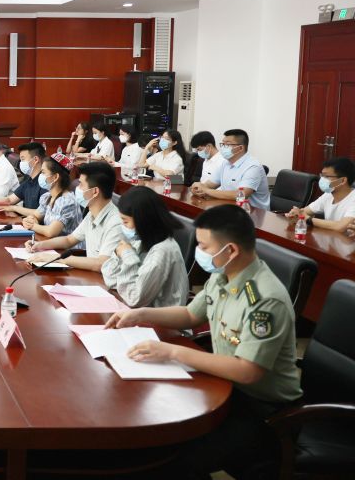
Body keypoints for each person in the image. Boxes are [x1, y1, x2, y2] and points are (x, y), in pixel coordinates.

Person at [106, 204, 301, 478]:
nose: (199, 252)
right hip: (222, 388)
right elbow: (190, 314)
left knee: (173, 457)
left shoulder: (264, 300)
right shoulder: (223, 276)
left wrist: (172, 352)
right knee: (151, 426)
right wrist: (140, 314)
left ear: (231, 250)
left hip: (263, 412)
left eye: (204, 246)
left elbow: (247, 371)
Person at [100, 186, 189, 308]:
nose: (122, 226)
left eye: (125, 221)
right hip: (140, 311)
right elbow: (109, 277)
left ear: (143, 221)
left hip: (160, 317)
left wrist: (127, 256)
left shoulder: (162, 251)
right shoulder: (141, 239)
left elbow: (134, 299)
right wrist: (118, 253)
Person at [26, 162, 124, 272]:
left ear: (95, 192)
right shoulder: (92, 214)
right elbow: (69, 240)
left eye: (81, 184)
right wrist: (39, 245)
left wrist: (58, 259)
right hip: (91, 276)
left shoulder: (115, 223)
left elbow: (101, 264)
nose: (77, 188)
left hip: (104, 280)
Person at [190, 129, 271, 210]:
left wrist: (206, 191)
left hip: (254, 213)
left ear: (240, 148)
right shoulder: (225, 163)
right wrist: (197, 188)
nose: (223, 148)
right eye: (222, 144)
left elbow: (241, 195)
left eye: (227, 145)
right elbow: (209, 184)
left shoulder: (253, 167)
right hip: (230, 208)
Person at [20, 157, 81, 244]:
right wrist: (31, 220)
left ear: (55, 177)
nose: (40, 175)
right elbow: (36, 215)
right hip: (50, 243)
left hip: (69, 249)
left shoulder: (68, 202)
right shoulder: (47, 196)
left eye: (43, 172)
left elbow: (51, 232)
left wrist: (32, 225)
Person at [286, 157, 355, 231]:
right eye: (322, 175)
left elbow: (341, 226)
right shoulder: (328, 195)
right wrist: (295, 213)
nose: (322, 179)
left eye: (326, 176)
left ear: (343, 180)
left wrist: (308, 219)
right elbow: (304, 212)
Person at [0, 142, 46, 215]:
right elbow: (10, 200)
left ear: (35, 159)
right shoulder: (28, 180)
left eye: (23, 159)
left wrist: (15, 208)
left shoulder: (45, 183)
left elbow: (42, 213)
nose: (21, 163)